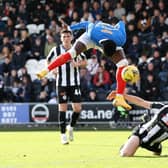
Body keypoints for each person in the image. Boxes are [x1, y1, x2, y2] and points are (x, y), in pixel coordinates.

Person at [37, 17, 132, 110]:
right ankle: (46, 70)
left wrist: (116, 26)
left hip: (110, 37)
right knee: (71, 54)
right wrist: (70, 28)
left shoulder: (121, 39)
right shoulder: (93, 32)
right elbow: (86, 23)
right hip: (90, 38)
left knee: (123, 63)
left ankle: (119, 97)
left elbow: (121, 23)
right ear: (102, 46)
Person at [46, 29, 87, 144]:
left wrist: (77, 64)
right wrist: (52, 69)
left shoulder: (76, 49)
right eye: (64, 36)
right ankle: (63, 135)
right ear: (61, 38)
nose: (66, 38)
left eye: (68, 36)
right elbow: (48, 60)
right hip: (61, 84)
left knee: (78, 108)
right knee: (62, 109)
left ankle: (71, 127)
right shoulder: (56, 50)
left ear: (72, 38)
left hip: (75, 84)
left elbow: (85, 62)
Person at [107, 90, 168, 157]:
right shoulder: (163, 108)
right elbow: (141, 102)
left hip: (154, 143)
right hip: (141, 135)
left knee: (157, 153)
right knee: (125, 154)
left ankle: (158, 147)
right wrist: (122, 95)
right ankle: (126, 145)